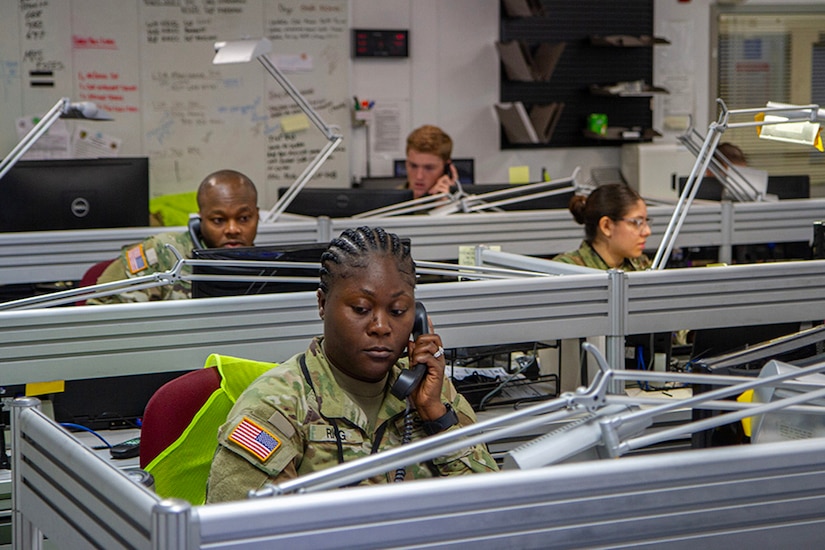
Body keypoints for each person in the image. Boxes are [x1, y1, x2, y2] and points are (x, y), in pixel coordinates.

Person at [206, 226, 498, 502]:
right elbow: (237, 533)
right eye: (361, 309)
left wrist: (437, 418)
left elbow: (495, 508)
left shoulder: (431, 393)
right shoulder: (275, 409)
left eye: (398, 311)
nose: (382, 326)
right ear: (322, 304)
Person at [86, 169, 259, 304]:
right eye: (218, 220)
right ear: (201, 220)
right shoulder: (161, 251)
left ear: (257, 216)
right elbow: (98, 313)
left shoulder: (271, 266)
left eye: (243, 218)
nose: (232, 229)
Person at [553, 183, 652, 271]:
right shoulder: (565, 270)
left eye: (645, 221)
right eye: (636, 222)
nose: (647, 231)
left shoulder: (642, 266)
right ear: (606, 226)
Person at [404, 125, 459, 199]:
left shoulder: (463, 205)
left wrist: (443, 206)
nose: (419, 176)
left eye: (429, 168)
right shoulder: (388, 201)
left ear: (446, 168)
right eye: (413, 166)